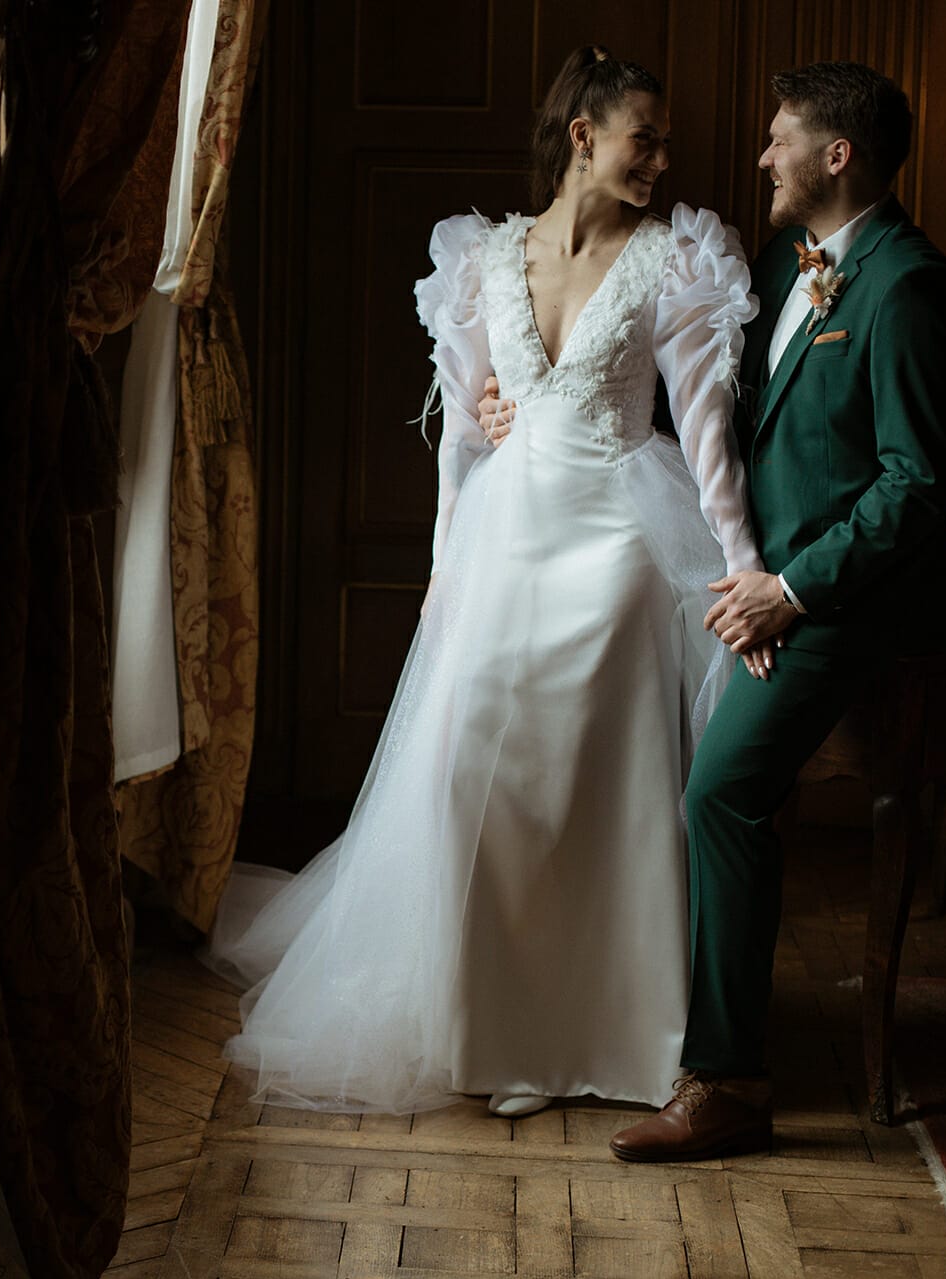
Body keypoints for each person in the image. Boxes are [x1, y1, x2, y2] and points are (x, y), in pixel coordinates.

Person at [203, 46, 763, 1117]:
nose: (662, 157)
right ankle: (493, 1032)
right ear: (583, 135)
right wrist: (440, 566)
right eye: (646, 135)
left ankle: (608, 1035)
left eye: (666, 141)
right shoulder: (483, 259)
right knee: (484, 789)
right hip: (503, 545)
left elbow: (706, 440)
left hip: (618, 548)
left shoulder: (676, 260)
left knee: (596, 797)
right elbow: (462, 435)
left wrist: (741, 576)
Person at [609, 62, 946, 1162]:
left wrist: (791, 590)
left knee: (720, 791)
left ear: (838, 155)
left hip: (850, 599)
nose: (762, 157)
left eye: (780, 140)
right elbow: (717, 407)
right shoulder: (783, 261)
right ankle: (647, 1019)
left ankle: (728, 1079)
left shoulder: (911, 284)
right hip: (755, 573)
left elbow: (916, 482)